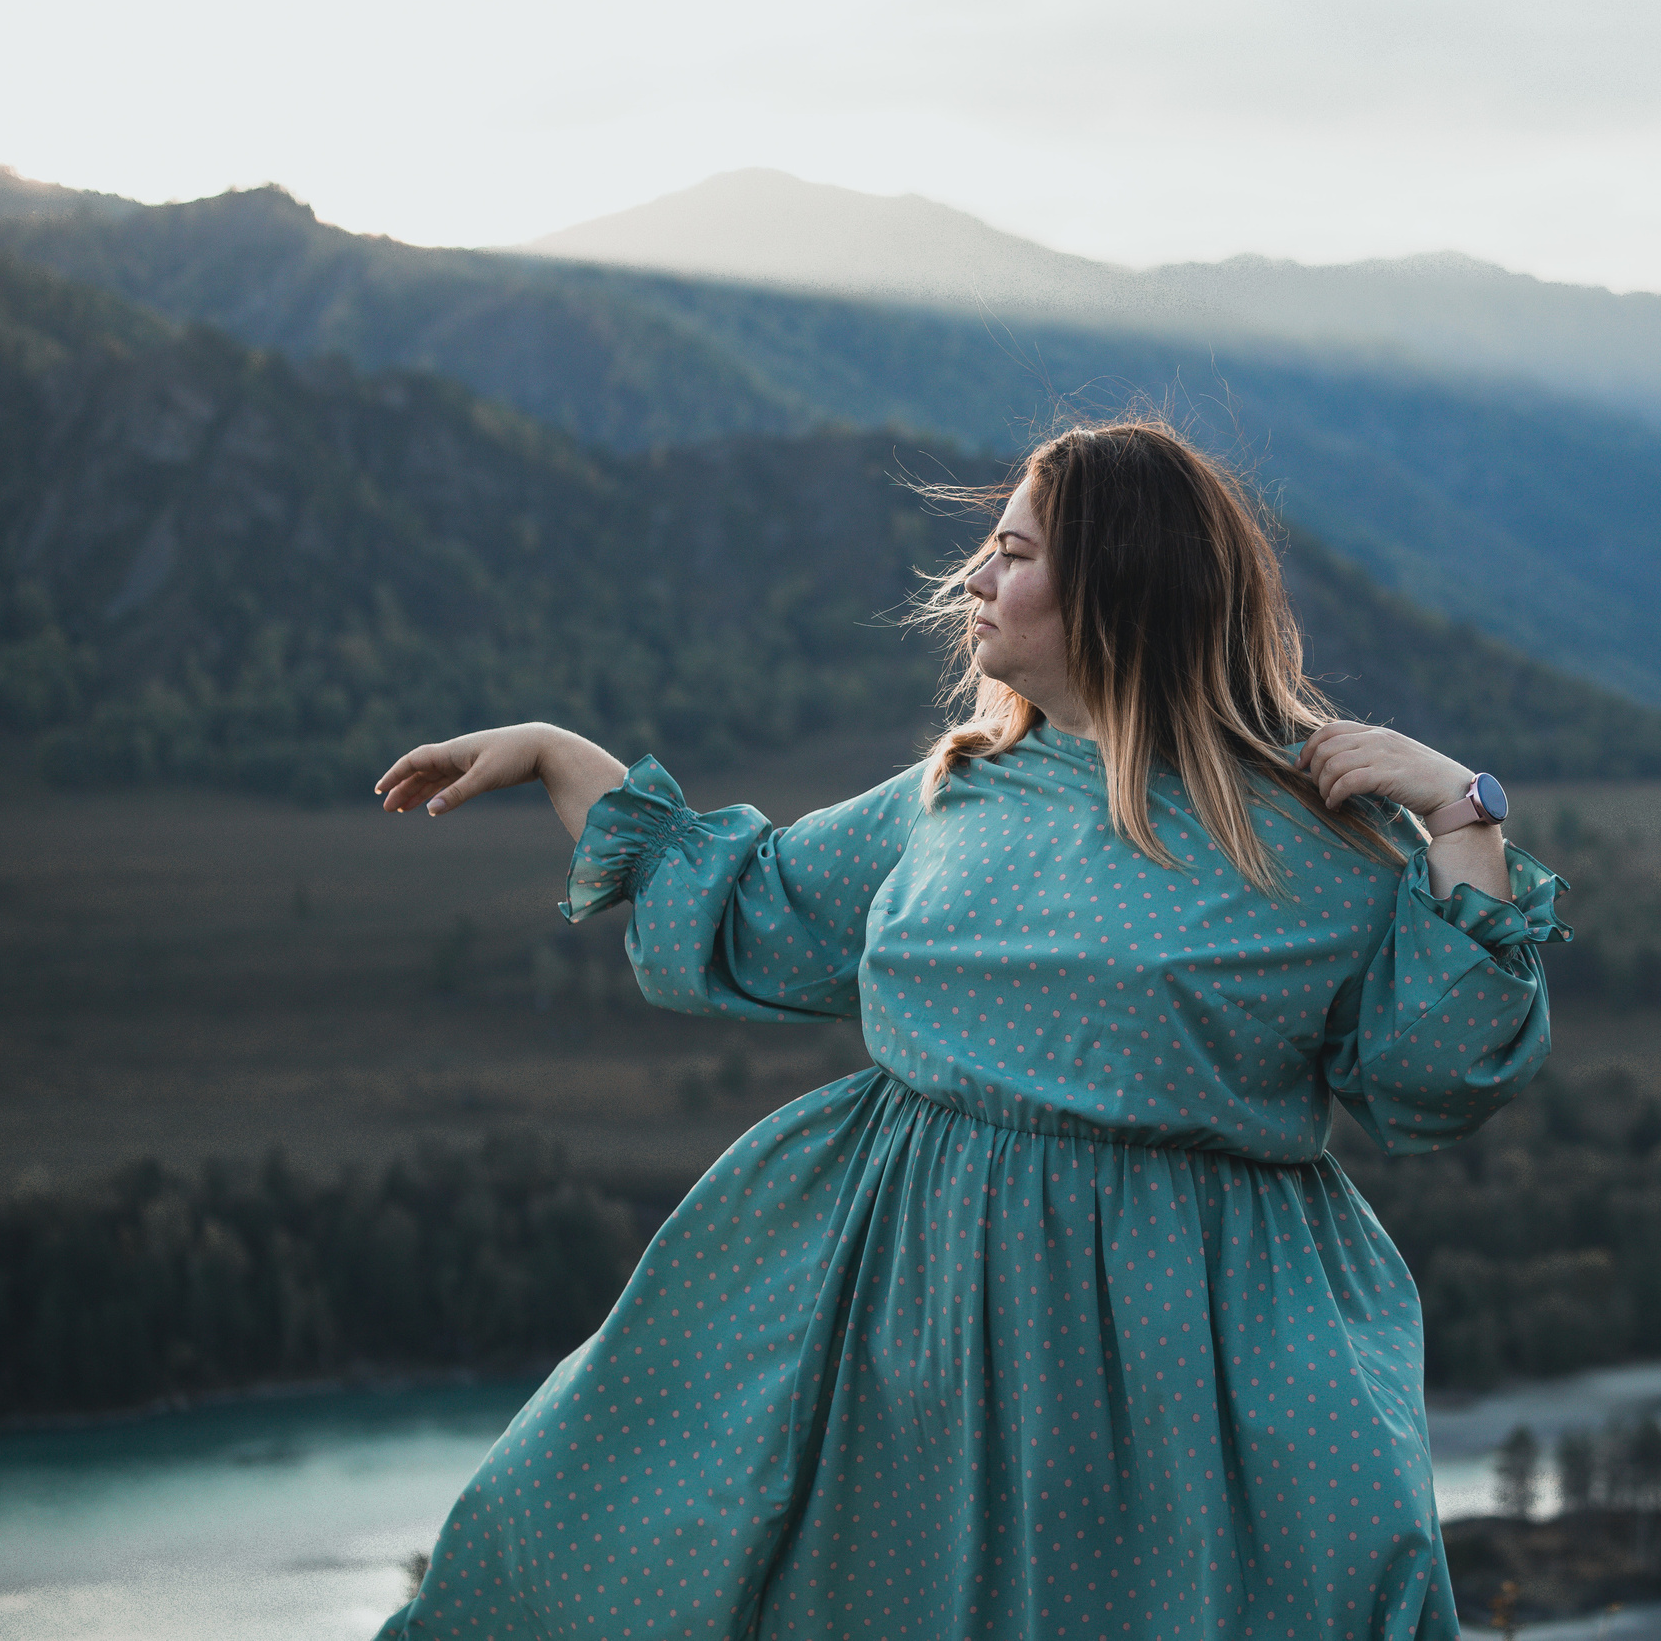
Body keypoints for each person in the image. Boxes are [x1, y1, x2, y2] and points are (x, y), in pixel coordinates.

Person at [368, 420, 1568, 1639]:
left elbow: (1439, 1076)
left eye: (1014, 551)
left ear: (1120, 587)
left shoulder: (1313, 840)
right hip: (896, 1329)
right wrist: (561, 757)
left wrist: (1459, 816)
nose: (973, 580)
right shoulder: (958, 785)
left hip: (1175, 1371)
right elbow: (746, 907)